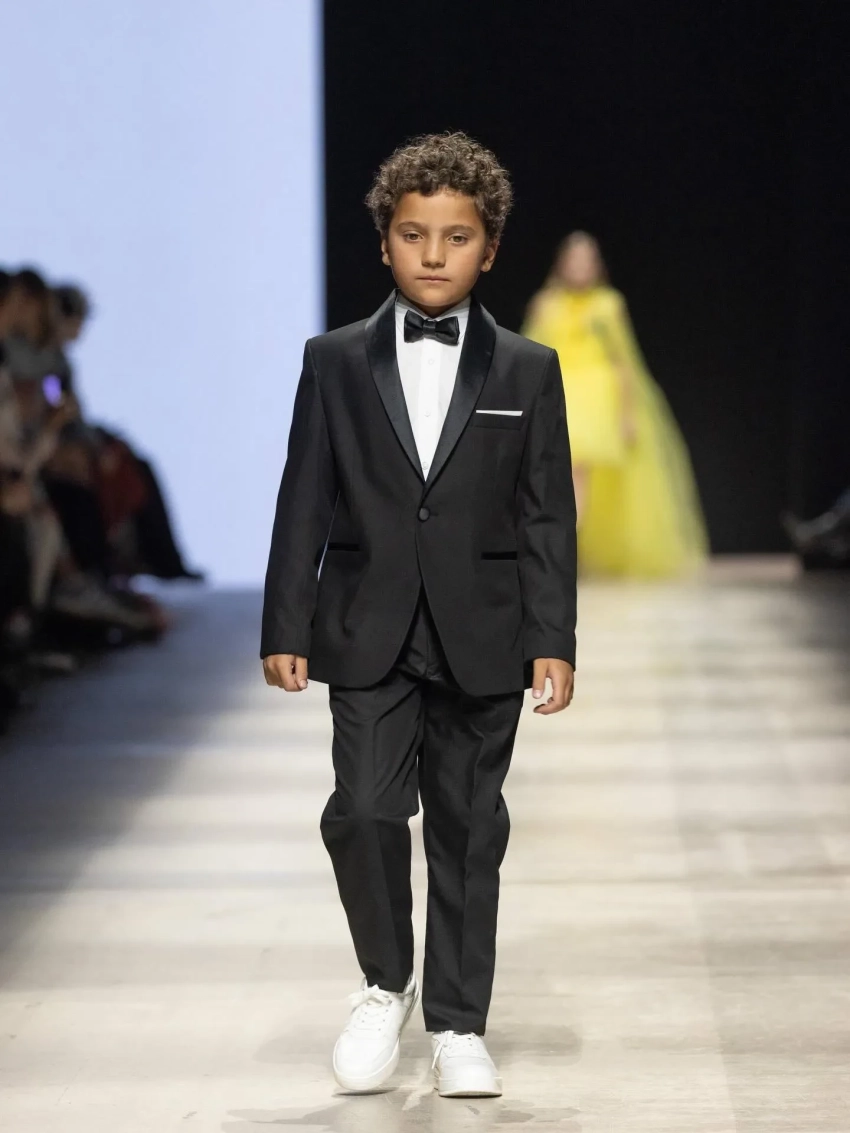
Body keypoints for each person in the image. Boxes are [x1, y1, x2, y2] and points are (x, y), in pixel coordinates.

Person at [261, 132, 577, 1098]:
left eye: (456, 236)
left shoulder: (528, 368)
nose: (433, 254)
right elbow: (304, 496)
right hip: (367, 624)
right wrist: (285, 622)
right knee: (362, 809)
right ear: (384, 241)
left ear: (490, 248)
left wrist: (552, 638)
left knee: (469, 828)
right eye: (413, 234)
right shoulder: (334, 361)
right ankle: (384, 980)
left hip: (485, 627)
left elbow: (545, 513)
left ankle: (458, 1022)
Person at [523, 231, 708, 577]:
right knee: (562, 473)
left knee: (581, 474)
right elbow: (530, 355)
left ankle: (568, 549)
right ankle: (561, 548)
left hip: (596, 400)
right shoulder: (546, 305)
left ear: (596, 265)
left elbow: (624, 362)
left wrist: (628, 413)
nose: (580, 267)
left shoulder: (608, 304)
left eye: (586, 260)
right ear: (562, 264)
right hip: (559, 392)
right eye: (574, 260)